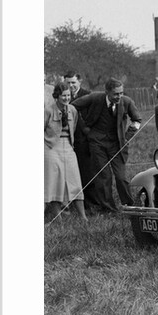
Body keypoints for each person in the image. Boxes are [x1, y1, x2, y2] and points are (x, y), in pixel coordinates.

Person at [72, 78, 142, 212]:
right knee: (104, 176)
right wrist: (84, 127)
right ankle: (108, 208)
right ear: (107, 92)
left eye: (121, 93)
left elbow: (137, 120)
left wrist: (127, 137)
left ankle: (129, 206)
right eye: (116, 94)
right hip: (97, 143)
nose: (119, 96)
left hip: (117, 145)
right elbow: (73, 106)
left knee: (121, 177)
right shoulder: (94, 98)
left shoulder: (126, 102)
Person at [44, 81, 88, 222]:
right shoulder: (48, 110)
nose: (66, 98)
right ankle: (57, 218)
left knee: (75, 180)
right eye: (63, 96)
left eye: (68, 95)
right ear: (57, 96)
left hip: (68, 147)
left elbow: (73, 128)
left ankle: (83, 217)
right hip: (51, 148)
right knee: (54, 183)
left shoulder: (73, 110)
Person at [63, 70, 97, 208]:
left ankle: (90, 203)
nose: (71, 85)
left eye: (73, 82)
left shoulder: (88, 95)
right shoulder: (63, 96)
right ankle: (71, 202)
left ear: (79, 82)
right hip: (68, 141)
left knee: (86, 172)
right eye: (68, 83)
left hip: (84, 140)